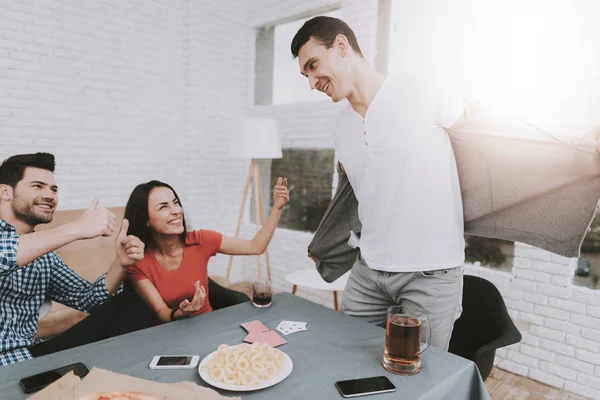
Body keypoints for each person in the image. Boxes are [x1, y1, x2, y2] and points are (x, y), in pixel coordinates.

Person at [292, 16, 465, 350]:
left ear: (341, 45)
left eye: (313, 66)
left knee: (419, 377)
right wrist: (329, 242)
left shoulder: (419, 89)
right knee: (347, 361)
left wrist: (580, 141)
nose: (312, 82)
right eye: (306, 75)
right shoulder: (340, 127)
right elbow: (352, 196)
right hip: (367, 271)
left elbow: (494, 135)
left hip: (430, 275)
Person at [0, 152, 153, 366]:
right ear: (5, 192)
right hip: (6, 364)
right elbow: (6, 254)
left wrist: (120, 263)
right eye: (38, 186)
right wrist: (78, 228)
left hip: (29, 357)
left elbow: (88, 299)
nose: (50, 195)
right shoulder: (28, 246)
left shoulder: (44, 256)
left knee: (134, 302)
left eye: (53, 189)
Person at [125, 178, 289, 323]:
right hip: (169, 334)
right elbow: (162, 313)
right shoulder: (137, 262)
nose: (176, 211)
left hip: (208, 325)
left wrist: (277, 208)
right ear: (145, 220)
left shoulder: (201, 240)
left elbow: (256, 246)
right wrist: (181, 313)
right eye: (163, 207)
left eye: (176, 203)